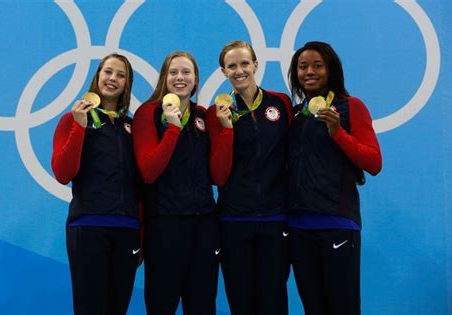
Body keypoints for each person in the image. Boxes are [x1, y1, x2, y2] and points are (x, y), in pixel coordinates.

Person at [286, 41, 382, 315]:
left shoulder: (351, 107)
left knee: (343, 308)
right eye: (303, 67)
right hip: (298, 228)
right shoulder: (296, 115)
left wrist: (338, 132)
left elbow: (373, 162)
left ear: (331, 70)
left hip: (338, 223)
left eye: (318, 65)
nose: (310, 72)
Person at [133, 51, 226, 315]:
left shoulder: (204, 116)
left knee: (203, 304)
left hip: (204, 225)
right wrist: (172, 129)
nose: (180, 77)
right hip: (165, 224)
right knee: (162, 304)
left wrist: (227, 130)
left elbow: (218, 175)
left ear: (196, 79)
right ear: (164, 78)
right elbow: (149, 171)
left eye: (186, 72)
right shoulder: (147, 113)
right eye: (173, 72)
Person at [51, 53, 142, 315]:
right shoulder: (73, 119)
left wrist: (142, 233)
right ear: (98, 76)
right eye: (108, 72)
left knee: (117, 309)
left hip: (126, 231)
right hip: (87, 227)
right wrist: (79, 127)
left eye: (121, 75)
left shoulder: (132, 126)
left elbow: (141, 185)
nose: (113, 79)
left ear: (127, 83)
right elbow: (63, 173)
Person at [206, 40, 292, 315]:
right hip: (233, 221)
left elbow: (293, 156)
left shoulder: (280, 103)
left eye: (245, 63)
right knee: (241, 302)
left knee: (274, 301)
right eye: (232, 66)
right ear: (223, 71)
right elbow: (217, 175)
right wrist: (226, 129)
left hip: (275, 219)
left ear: (256, 64)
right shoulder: (216, 113)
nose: (239, 70)